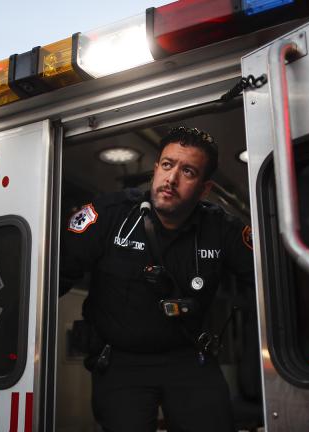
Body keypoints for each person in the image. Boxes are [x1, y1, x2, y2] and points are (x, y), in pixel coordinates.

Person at [60, 126, 254, 432]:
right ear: (155, 169)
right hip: (121, 362)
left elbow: (267, 285)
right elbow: (52, 279)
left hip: (189, 358)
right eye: (167, 165)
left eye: (188, 171)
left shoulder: (222, 229)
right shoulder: (109, 216)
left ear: (204, 189)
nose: (171, 179)